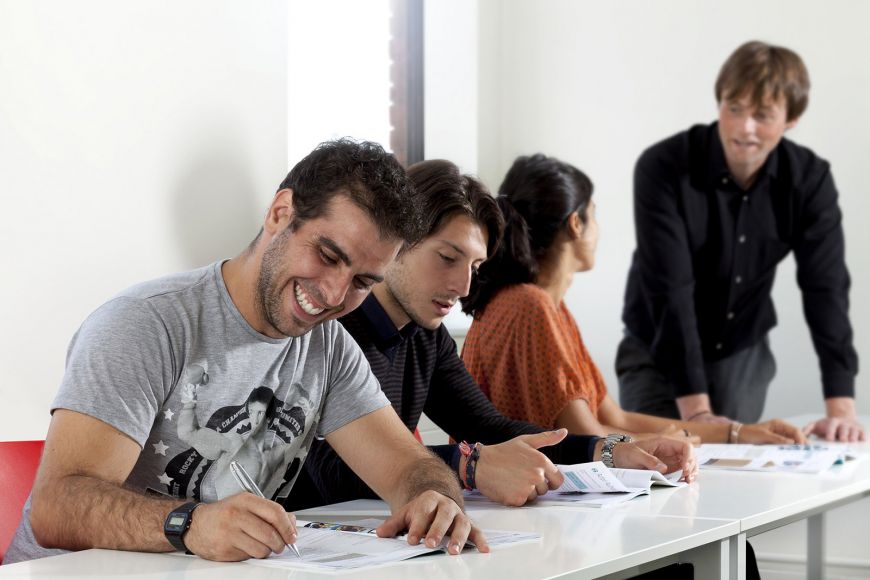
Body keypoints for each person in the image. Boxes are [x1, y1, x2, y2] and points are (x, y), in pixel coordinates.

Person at [6, 139, 488, 564]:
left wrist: (435, 498)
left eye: (363, 281)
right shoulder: (145, 323)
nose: (335, 294)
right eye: (328, 255)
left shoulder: (329, 348)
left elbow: (406, 466)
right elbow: (57, 507)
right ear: (280, 213)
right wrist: (190, 524)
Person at [286, 159, 699, 513]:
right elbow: (330, 469)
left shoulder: (425, 336)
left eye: (475, 267)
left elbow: (490, 427)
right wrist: (470, 465)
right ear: (397, 241)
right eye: (447, 258)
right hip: (303, 544)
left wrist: (609, 451)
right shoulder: (331, 330)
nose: (464, 286)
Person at [460, 153, 805, 446]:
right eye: (594, 214)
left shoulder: (551, 308)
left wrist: (737, 433)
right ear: (576, 223)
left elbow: (615, 418)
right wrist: (664, 441)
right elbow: (586, 436)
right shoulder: (528, 305)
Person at [617, 41, 863, 442]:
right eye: (734, 108)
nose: (745, 127)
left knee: (735, 471)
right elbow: (670, 290)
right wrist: (698, 412)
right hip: (658, 346)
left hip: (741, 350)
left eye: (762, 115)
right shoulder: (662, 167)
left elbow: (826, 287)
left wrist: (841, 410)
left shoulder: (809, 180)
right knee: (655, 468)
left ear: (791, 119)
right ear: (720, 104)